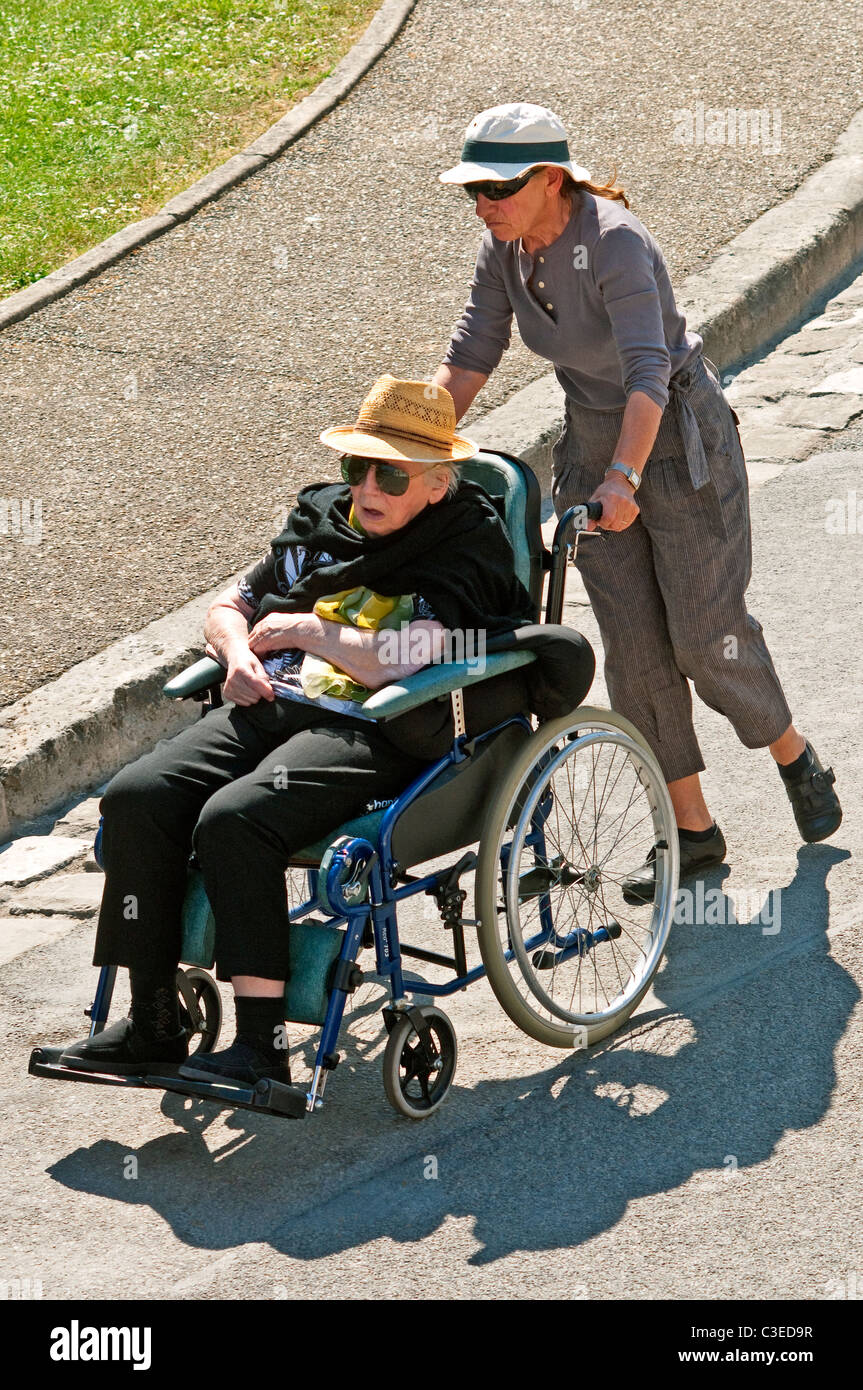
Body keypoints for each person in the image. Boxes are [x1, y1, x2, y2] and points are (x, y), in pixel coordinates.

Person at [57, 376, 560, 1086]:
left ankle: (259, 1046)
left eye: (392, 474)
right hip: (271, 696)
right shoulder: (320, 521)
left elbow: (404, 658)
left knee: (237, 819)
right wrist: (234, 656)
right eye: (359, 468)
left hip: (381, 720)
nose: (368, 487)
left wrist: (308, 629)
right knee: (138, 794)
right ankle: (152, 1023)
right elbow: (230, 604)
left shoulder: (463, 543)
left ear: (437, 486)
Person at [430, 101, 842, 902]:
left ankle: (791, 752)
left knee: (702, 634)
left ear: (551, 178)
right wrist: (407, 444)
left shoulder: (613, 241)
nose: (483, 204)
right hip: (589, 439)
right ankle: (692, 829)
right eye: (472, 191)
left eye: (498, 187)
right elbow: (472, 352)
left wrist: (623, 481)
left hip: (674, 432)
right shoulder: (505, 249)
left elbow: (647, 374)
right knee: (634, 647)